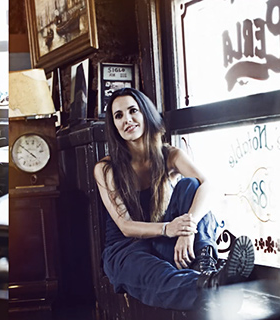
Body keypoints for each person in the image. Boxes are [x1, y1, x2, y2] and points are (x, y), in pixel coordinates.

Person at [94, 88, 255, 310]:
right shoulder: (106, 168)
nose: (127, 120)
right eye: (118, 116)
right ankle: (212, 286)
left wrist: (189, 227)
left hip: (162, 241)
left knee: (191, 185)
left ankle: (205, 263)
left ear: (146, 114)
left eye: (133, 111)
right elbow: (125, 226)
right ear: (114, 126)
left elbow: (210, 186)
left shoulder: (170, 155)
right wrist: (169, 228)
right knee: (156, 274)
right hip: (125, 249)